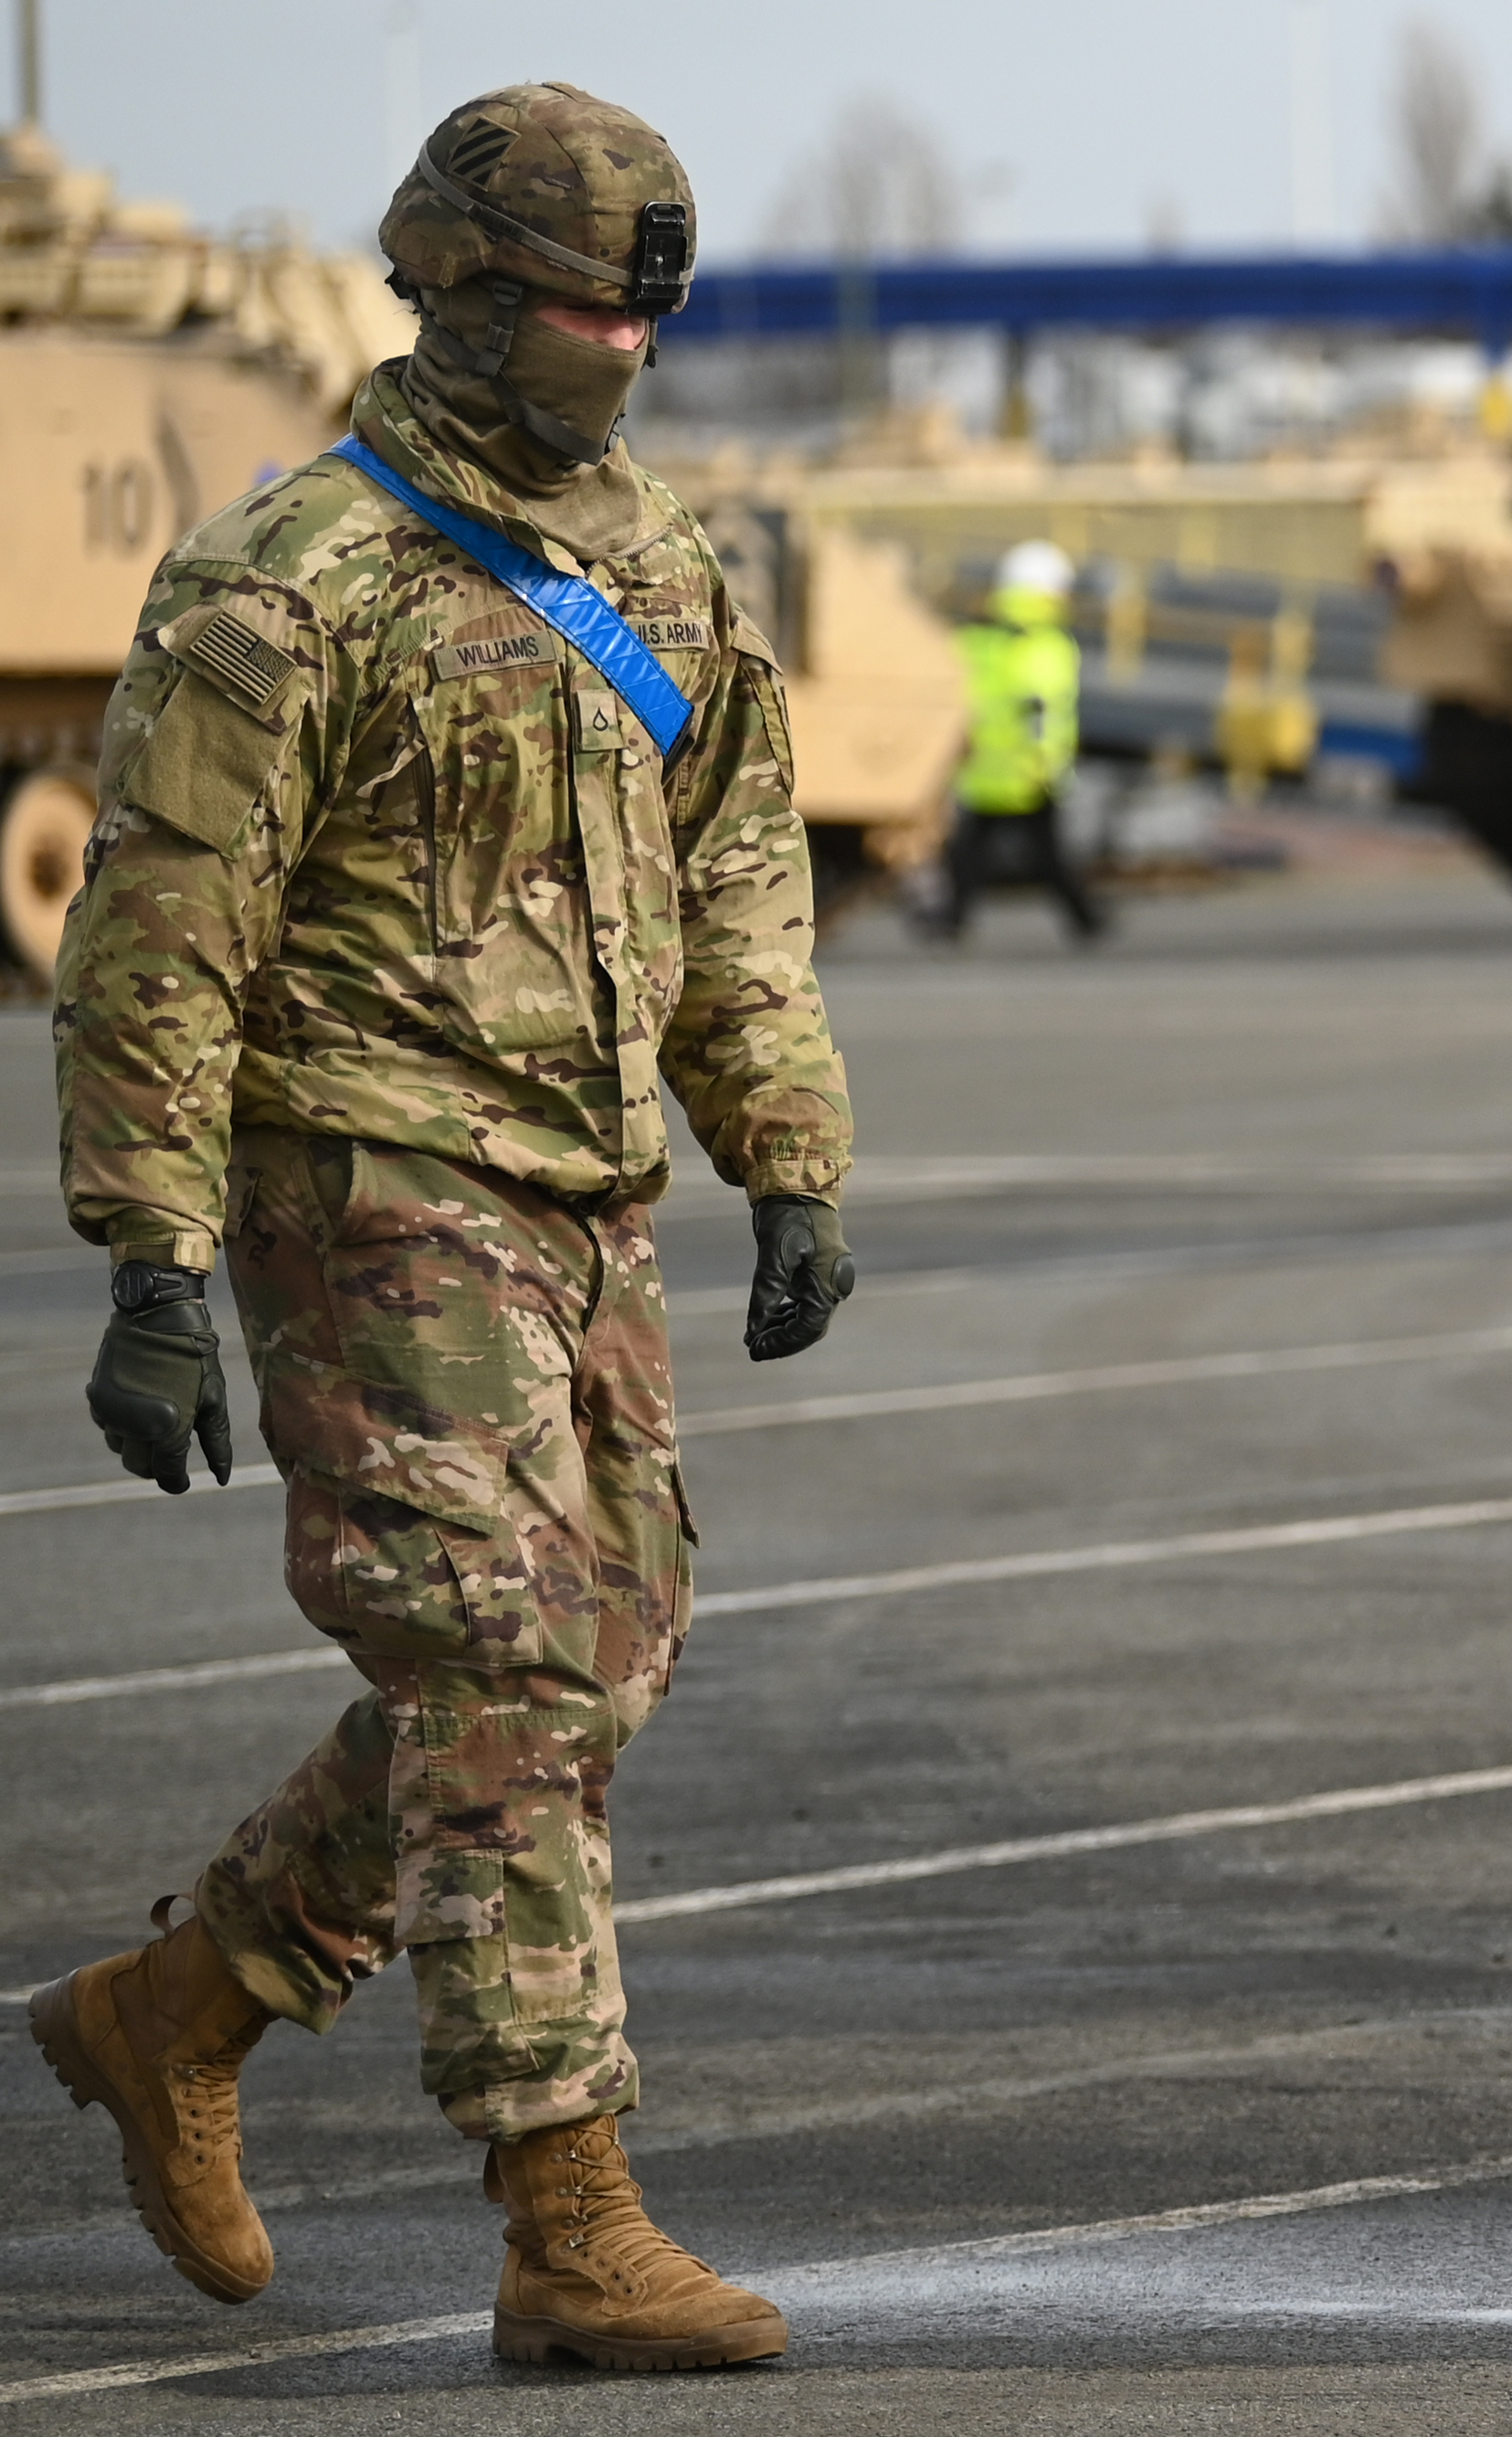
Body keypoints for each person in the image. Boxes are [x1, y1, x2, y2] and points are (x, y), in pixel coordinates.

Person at [26, 84, 854, 2374]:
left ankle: (175, 2009)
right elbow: (159, 934)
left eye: (647, 316)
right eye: (590, 306)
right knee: (493, 1661)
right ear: (467, 295)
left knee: (604, 1652)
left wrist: (786, 1156)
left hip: (589, 1203)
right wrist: (154, 1257)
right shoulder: (289, 577)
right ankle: (566, 2214)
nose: (625, 351)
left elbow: (737, 894)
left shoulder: (672, 575)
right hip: (365, 1184)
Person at [927, 538, 1105, 944]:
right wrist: (1051, 767)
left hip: (982, 768)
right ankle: (1086, 920)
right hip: (1031, 772)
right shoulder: (1050, 644)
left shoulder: (975, 638)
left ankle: (954, 920)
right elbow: (1042, 711)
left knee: (970, 853)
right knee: (1047, 856)